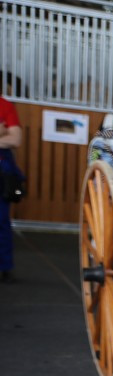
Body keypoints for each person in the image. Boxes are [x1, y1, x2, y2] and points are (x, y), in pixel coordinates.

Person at [0, 96, 22, 282]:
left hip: (2, 170)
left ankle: (3, 265)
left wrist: (6, 133)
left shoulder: (5, 105)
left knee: (1, 219)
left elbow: (15, 138)